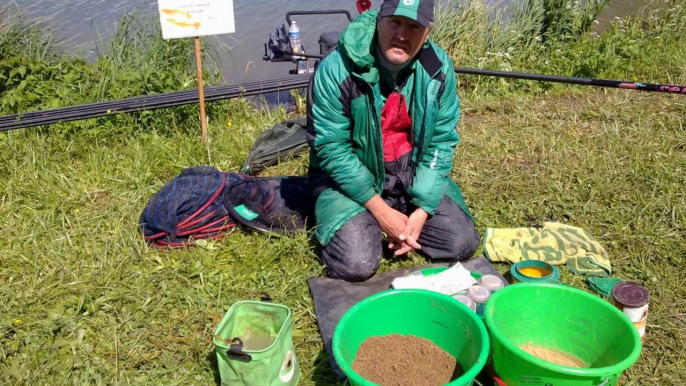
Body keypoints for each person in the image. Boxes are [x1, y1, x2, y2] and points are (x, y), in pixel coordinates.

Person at [305, 0, 480, 281]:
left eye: (414, 26)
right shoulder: (336, 68)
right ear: (378, 21)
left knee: (461, 243)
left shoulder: (438, 68)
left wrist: (422, 210)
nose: (402, 34)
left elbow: (441, 141)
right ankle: (366, 221)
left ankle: (402, 219)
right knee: (357, 262)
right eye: (395, 22)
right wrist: (382, 212)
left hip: (409, 176)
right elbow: (332, 149)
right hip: (347, 180)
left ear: (427, 33)